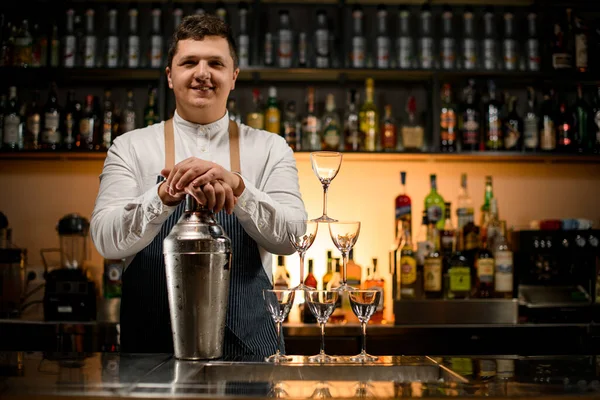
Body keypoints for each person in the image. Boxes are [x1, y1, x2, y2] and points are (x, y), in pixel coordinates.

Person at [90, 14, 307, 357]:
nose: (202, 73)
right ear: (170, 75)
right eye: (189, 62)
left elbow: (293, 237)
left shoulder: (270, 148)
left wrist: (239, 189)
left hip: (248, 354)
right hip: (151, 356)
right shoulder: (130, 147)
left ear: (233, 76)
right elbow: (106, 240)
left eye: (216, 63)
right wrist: (162, 196)